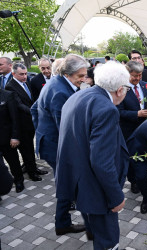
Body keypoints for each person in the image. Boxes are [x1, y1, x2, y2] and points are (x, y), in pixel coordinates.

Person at [56, 61, 130, 249]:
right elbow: (102, 162)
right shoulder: (107, 109)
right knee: (109, 241)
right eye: (127, 88)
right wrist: (116, 197)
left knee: (96, 230)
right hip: (97, 190)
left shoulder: (78, 95)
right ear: (120, 90)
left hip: (77, 182)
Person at [31, 54, 89, 237]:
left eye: (85, 75)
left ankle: (64, 220)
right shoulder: (60, 91)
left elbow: (34, 109)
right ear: (67, 73)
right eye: (80, 76)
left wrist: (41, 130)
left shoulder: (57, 82)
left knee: (67, 183)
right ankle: (72, 223)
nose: (84, 79)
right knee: (70, 182)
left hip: (48, 141)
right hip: (54, 145)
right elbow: (66, 128)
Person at [117, 61, 147, 192]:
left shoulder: (146, 86)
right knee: (131, 156)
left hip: (145, 129)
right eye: (134, 75)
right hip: (128, 130)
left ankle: (145, 175)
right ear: (127, 74)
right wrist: (136, 114)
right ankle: (134, 180)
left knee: (146, 154)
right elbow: (118, 111)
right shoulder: (121, 89)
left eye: (140, 75)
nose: (138, 78)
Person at [5, 63, 47, 182]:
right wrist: (35, 112)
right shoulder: (10, 86)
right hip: (22, 124)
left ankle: (33, 167)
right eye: (21, 74)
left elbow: (31, 100)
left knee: (30, 147)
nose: (24, 76)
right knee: (26, 149)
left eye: (25, 74)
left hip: (30, 122)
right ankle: (32, 172)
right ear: (13, 74)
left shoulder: (27, 82)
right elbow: (19, 105)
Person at [0, 88, 24, 192]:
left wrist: (15, 136)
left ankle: (19, 181)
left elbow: (15, 118)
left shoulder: (7, 95)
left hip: (6, 138)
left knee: (13, 162)